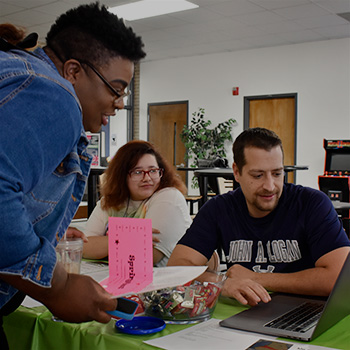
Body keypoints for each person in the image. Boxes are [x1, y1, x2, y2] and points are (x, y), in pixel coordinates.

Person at [0, 2, 146, 348]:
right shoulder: (55, 94)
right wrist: (59, 286)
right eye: (115, 88)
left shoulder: (15, 70)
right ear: (73, 71)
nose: (120, 103)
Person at [168, 127, 350, 307]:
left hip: (307, 310)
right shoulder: (219, 208)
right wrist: (221, 282)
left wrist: (256, 278)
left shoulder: (312, 204)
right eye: (258, 175)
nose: (270, 186)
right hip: (245, 313)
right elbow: (176, 269)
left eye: (277, 173)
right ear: (237, 172)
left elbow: (340, 279)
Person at [82, 140, 192, 267]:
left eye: (153, 171)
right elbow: (84, 247)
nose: (147, 178)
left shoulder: (168, 197)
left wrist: (108, 242)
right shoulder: (110, 202)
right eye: (138, 172)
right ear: (121, 176)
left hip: (164, 282)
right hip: (112, 277)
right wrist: (128, 238)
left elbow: (149, 255)